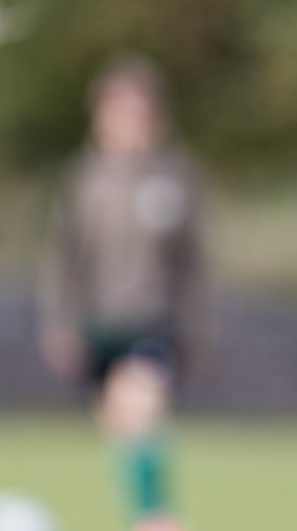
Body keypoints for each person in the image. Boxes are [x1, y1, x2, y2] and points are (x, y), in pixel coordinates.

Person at [38, 55, 210, 531]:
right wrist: (59, 322)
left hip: (153, 324)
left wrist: (195, 327)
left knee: (141, 410)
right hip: (97, 325)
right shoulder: (83, 180)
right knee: (121, 435)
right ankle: (143, 515)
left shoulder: (176, 176)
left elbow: (193, 263)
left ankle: (158, 518)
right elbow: (63, 257)